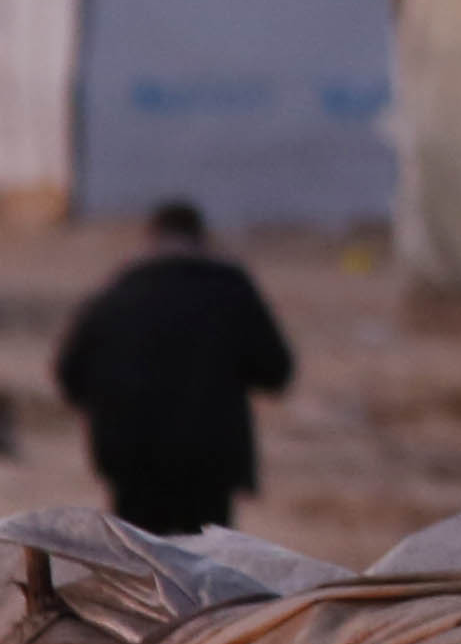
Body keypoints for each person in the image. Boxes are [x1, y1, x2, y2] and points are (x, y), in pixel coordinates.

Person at [51, 202, 296, 538]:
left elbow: (69, 377)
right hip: (211, 463)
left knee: (139, 575)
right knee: (208, 577)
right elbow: (276, 372)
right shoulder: (231, 291)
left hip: (133, 463)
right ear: (201, 239)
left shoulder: (118, 294)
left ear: (150, 239)